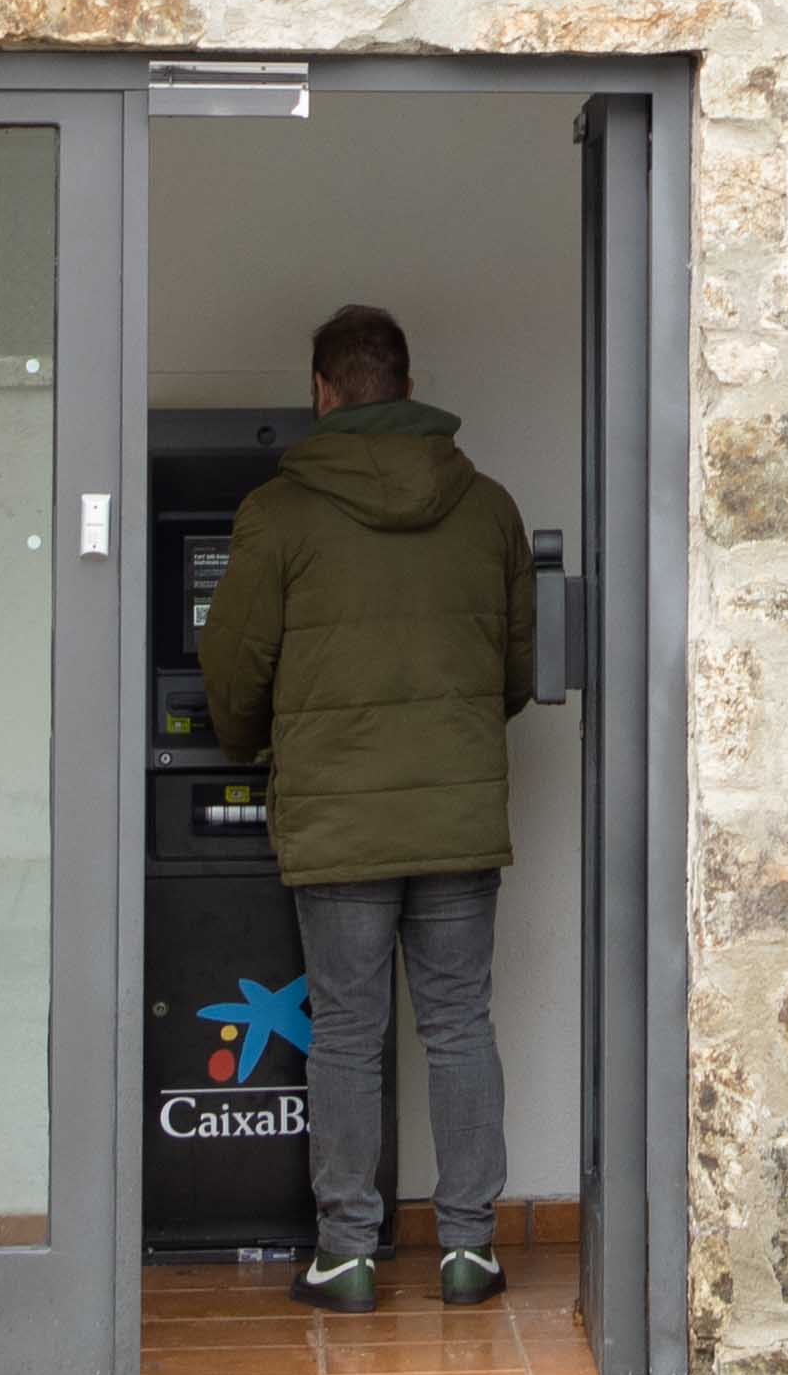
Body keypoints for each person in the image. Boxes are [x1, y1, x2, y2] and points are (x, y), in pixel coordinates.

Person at [195, 300, 534, 1313]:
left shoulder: (279, 512)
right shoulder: (488, 508)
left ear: (322, 392)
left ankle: (347, 1253)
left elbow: (235, 665)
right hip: (455, 815)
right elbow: (514, 670)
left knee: (346, 1034)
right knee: (459, 1026)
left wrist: (248, 742)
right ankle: (468, 1249)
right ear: (408, 382)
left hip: (338, 817)